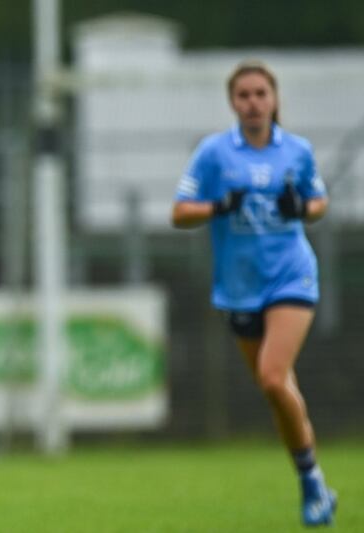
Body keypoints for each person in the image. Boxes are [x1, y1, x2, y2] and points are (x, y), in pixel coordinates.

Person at [171, 59, 336, 527]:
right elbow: (179, 212)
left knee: (271, 376)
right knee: (280, 390)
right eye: (243, 95)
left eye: (261, 93)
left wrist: (301, 207)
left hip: (291, 277)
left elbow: (319, 203)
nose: (253, 103)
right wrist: (218, 206)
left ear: (275, 99)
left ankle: (310, 484)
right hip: (239, 288)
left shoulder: (297, 151)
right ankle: (314, 482)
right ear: (232, 103)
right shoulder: (215, 153)